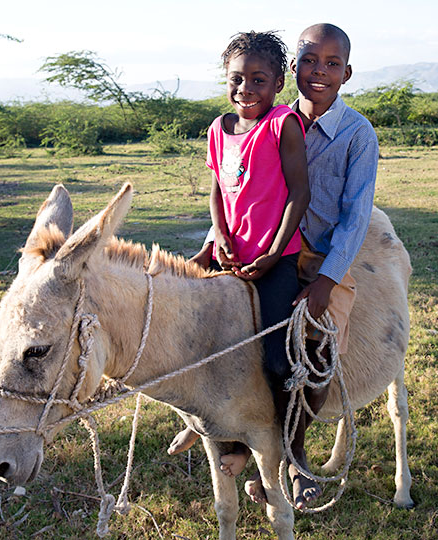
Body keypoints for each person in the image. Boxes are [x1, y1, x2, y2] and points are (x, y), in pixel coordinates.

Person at [172, 23, 379, 510]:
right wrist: (212, 239)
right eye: (310, 61)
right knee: (212, 334)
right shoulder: (266, 119)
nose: (319, 72)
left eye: (331, 64)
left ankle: (295, 454)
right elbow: (238, 189)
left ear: (346, 73)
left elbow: (355, 215)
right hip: (254, 251)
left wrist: (327, 280)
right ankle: (226, 433)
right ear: (294, 69)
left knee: (312, 349)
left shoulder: (355, 135)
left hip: (319, 259)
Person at [168, 30, 312, 484]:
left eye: (258, 79)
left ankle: (294, 449)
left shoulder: (282, 124)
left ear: (277, 86)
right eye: (236, 79)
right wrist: (221, 237)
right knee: (187, 328)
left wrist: (272, 254)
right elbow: (217, 190)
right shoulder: (218, 129)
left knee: (275, 356)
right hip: (228, 252)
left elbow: (299, 194)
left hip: (276, 258)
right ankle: (212, 428)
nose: (245, 89)